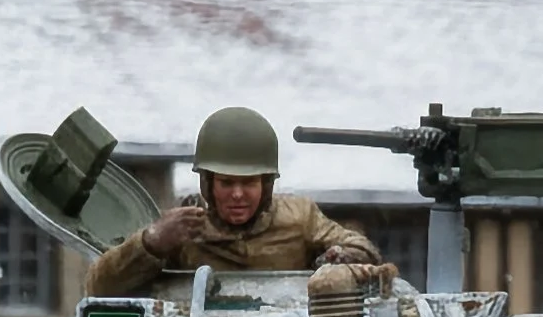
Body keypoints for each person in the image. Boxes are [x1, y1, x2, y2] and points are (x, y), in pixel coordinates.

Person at [85, 106, 382, 298]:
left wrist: (338, 258)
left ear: (266, 185)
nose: (237, 194)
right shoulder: (181, 228)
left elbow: (363, 250)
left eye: (249, 183)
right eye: (226, 183)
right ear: (207, 183)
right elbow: (100, 287)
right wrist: (152, 243)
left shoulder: (300, 217)